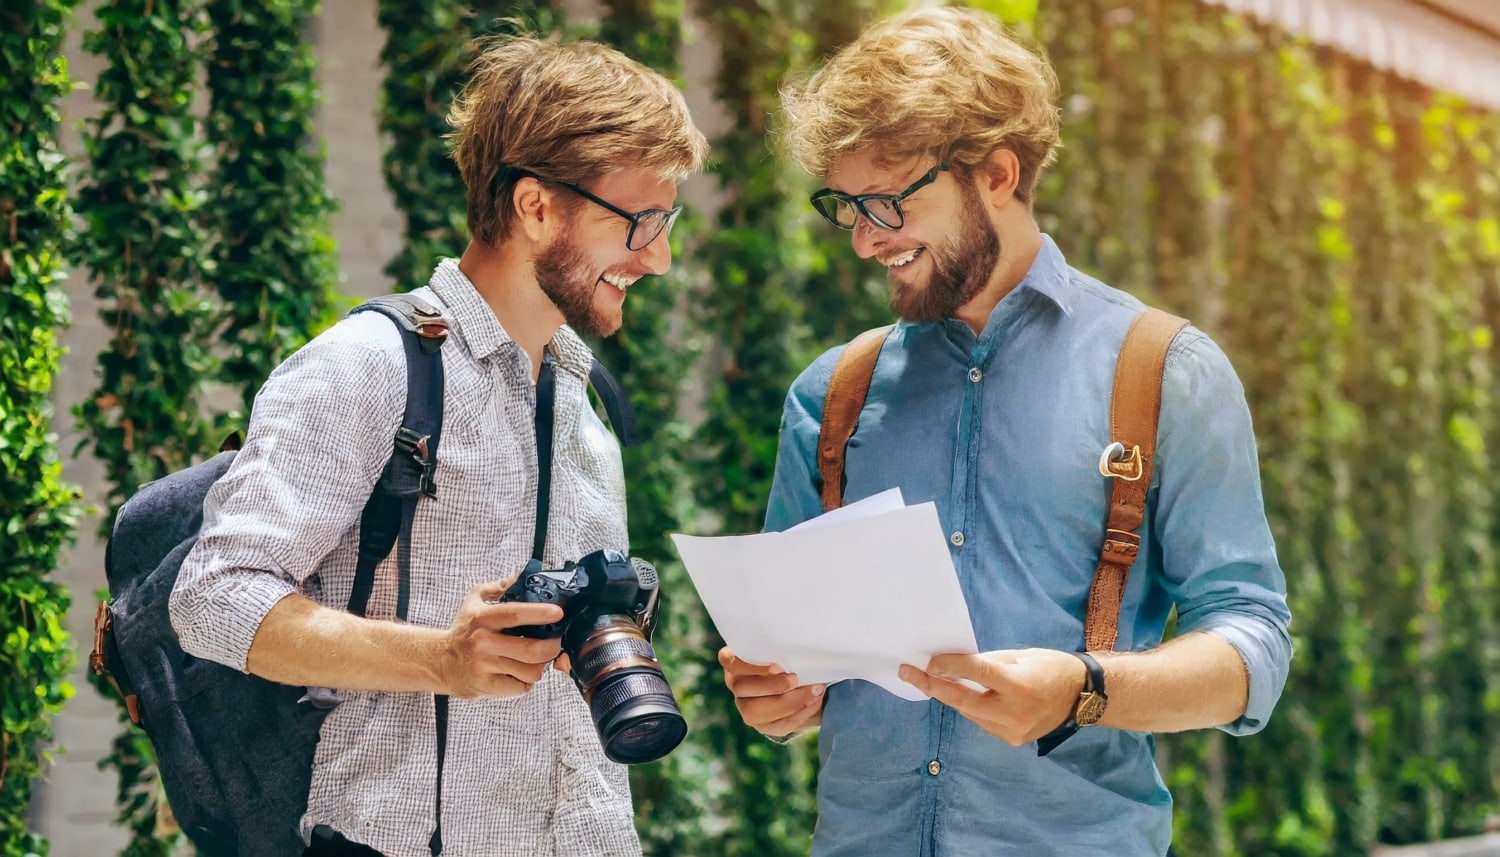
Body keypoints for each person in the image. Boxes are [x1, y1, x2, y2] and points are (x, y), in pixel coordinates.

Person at [717, 7, 1292, 856]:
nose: (867, 240)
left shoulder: (1165, 371)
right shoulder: (832, 394)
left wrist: (1082, 690)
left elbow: (1253, 647)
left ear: (996, 173)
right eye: (847, 207)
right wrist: (775, 700)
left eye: (888, 201)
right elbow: (791, 666)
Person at [170, 30, 708, 857]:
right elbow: (212, 596)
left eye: (666, 222)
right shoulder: (368, 367)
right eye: (640, 221)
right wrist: (440, 659)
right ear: (536, 207)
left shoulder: (585, 402)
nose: (660, 257)